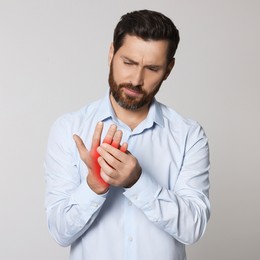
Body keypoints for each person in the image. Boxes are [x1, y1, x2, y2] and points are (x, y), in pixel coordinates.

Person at [45, 9, 210, 260]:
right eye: (129, 63)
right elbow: (60, 233)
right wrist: (94, 186)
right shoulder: (69, 129)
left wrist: (137, 182)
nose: (136, 79)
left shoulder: (189, 135)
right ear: (111, 53)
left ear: (168, 69)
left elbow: (193, 228)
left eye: (152, 68)